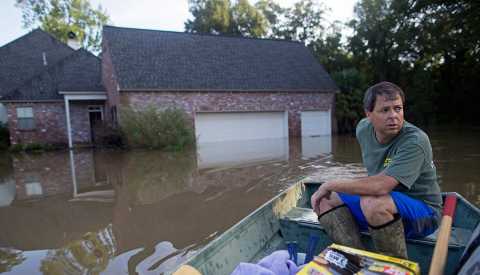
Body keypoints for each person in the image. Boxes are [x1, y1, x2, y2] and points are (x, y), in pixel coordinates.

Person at [310, 81, 442, 259]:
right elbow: (375, 180)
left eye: (398, 108)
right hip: (384, 203)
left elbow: (380, 187)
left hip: (423, 214)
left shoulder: (415, 141)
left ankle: (396, 266)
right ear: (369, 114)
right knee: (323, 200)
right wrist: (330, 189)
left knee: (373, 202)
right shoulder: (363, 129)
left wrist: (331, 183)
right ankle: (356, 260)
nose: (393, 116)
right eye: (385, 110)